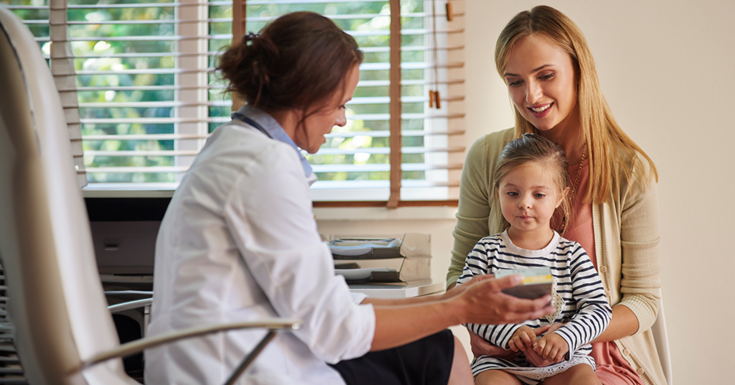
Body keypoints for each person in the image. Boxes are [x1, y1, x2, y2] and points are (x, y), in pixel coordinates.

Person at [144, 11, 555, 385]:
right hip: (232, 370)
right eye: (340, 104)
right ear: (306, 93)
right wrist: (461, 311)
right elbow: (333, 329)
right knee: (439, 352)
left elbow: (325, 303)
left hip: (229, 353)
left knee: (438, 348)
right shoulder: (264, 167)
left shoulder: (235, 145)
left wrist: (452, 298)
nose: (342, 119)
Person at [445, 5, 665, 385]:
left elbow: (643, 302)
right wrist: (505, 331)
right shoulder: (486, 158)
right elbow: (459, 281)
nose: (531, 95)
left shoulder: (627, 171)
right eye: (514, 81)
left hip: (597, 358)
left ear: (580, 70)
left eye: (545, 75)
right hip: (504, 357)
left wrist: (566, 334)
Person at [456, 134, 612, 385]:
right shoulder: (485, 251)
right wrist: (509, 333)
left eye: (538, 195)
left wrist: (566, 337)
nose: (524, 204)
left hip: (564, 362)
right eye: (513, 193)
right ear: (498, 193)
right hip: (501, 364)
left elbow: (599, 310)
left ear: (560, 198)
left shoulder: (572, 255)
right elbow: (465, 306)